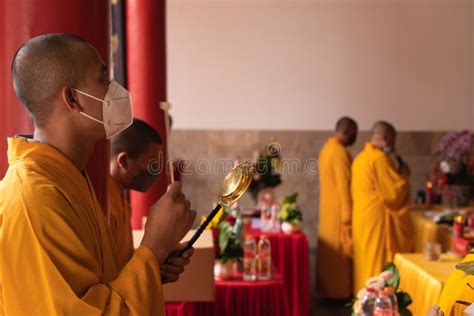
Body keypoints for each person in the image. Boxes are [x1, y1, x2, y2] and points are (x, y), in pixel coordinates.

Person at [0, 33, 196, 315]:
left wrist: (152, 264)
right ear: (72, 99)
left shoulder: (69, 178)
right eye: (103, 80)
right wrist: (152, 245)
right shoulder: (35, 196)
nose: (114, 90)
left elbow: (98, 285)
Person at [109, 118, 189, 283]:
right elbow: (110, 277)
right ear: (123, 161)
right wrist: (155, 250)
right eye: (152, 163)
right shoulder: (104, 203)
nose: (156, 172)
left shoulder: (120, 196)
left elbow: (123, 261)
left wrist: (157, 263)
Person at [352, 121, 414, 293]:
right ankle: (376, 304)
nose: (394, 145)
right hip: (377, 221)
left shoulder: (360, 158)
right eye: (393, 140)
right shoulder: (379, 158)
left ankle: (362, 301)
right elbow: (393, 194)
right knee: (376, 264)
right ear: (386, 139)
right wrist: (404, 174)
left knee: (365, 262)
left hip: (362, 218)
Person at [316, 117, 358, 300]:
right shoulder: (339, 152)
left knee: (329, 255)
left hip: (327, 210)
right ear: (348, 132)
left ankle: (327, 290)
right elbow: (344, 185)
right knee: (339, 256)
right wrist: (348, 216)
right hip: (339, 211)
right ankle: (339, 292)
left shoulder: (327, 148)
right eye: (354, 133)